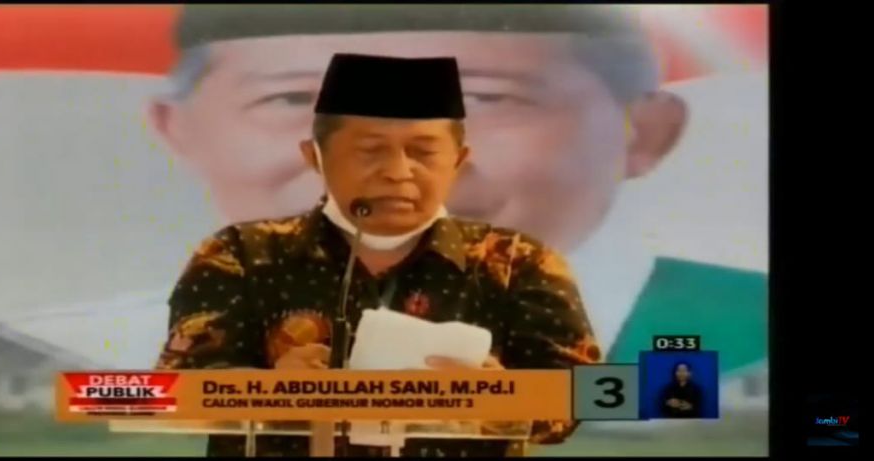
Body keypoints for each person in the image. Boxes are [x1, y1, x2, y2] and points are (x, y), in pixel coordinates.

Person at [147, 4, 767, 380]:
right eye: (293, 100)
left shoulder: (749, 331)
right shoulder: (121, 342)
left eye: (485, 100)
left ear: (644, 132)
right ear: (179, 129)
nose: (393, 171)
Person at [155, 53, 600, 457]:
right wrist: (271, 390)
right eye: (369, 152)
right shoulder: (241, 255)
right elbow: (173, 390)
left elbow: (587, 394)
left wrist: (502, 397)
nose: (398, 172)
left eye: (423, 153)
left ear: (458, 160)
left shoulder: (518, 261)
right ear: (315, 157)